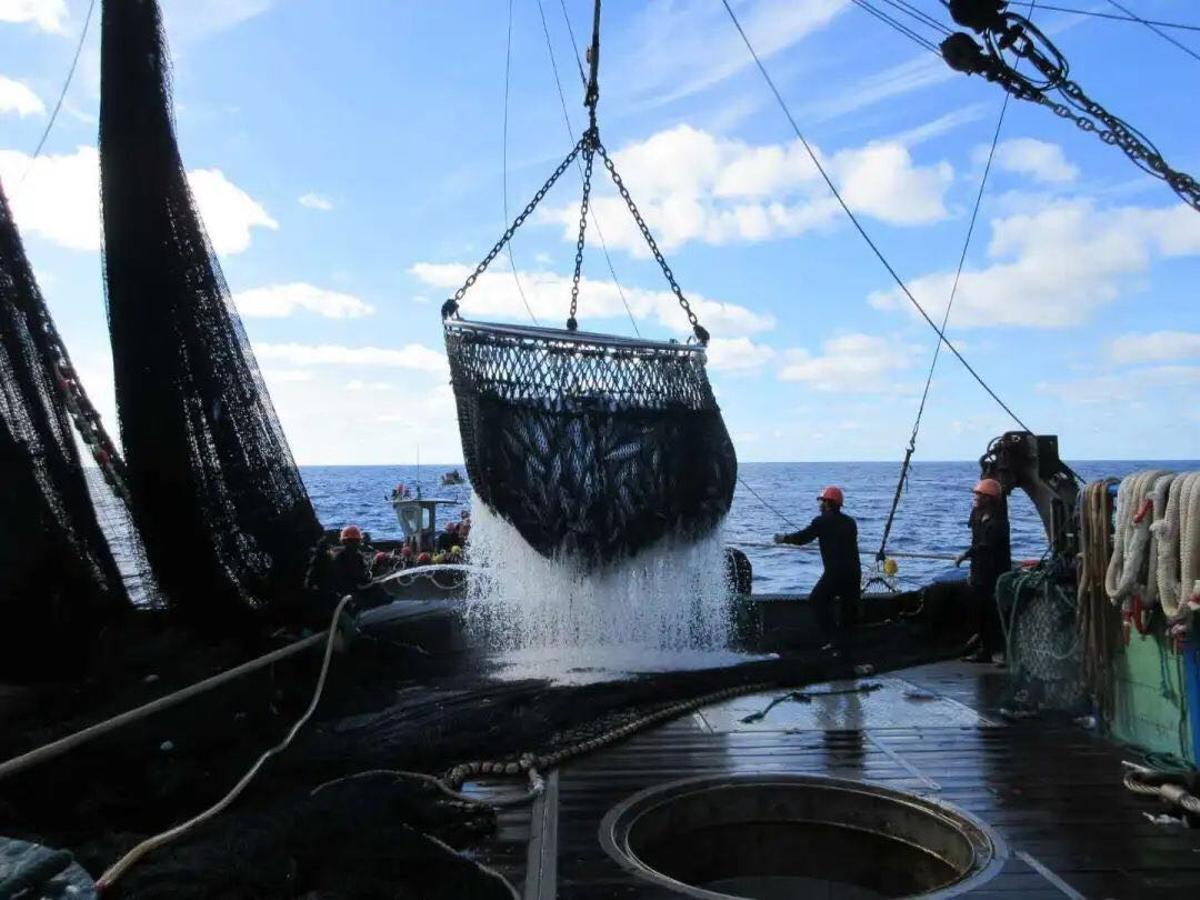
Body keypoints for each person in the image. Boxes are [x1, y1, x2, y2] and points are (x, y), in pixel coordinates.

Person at [774, 486, 861, 653]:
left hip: (835, 573)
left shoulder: (821, 522)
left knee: (816, 601)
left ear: (828, 503)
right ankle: (847, 646)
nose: (819, 505)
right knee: (848, 611)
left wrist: (784, 538)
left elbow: (803, 538)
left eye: (821, 502)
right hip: (854, 573)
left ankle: (833, 639)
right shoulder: (850, 522)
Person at [955, 478, 1012, 665]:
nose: (976, 498)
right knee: (980, 612)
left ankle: (1000, 651)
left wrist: (966, 554)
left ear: (989, 499)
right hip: (980, 571)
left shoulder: (998, 521)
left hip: (995, 573)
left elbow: (987, 545)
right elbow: (976, 538)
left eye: (979, 495)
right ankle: (985, 650)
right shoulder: (977, 515)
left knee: (995, 613)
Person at [327, 524, 370, 597]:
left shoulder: (338, 556)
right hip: (347, 593)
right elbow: (360, 578)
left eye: (355, 541)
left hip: (344, 591)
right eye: (351, 541)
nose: (354, 544)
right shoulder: (341, 558)